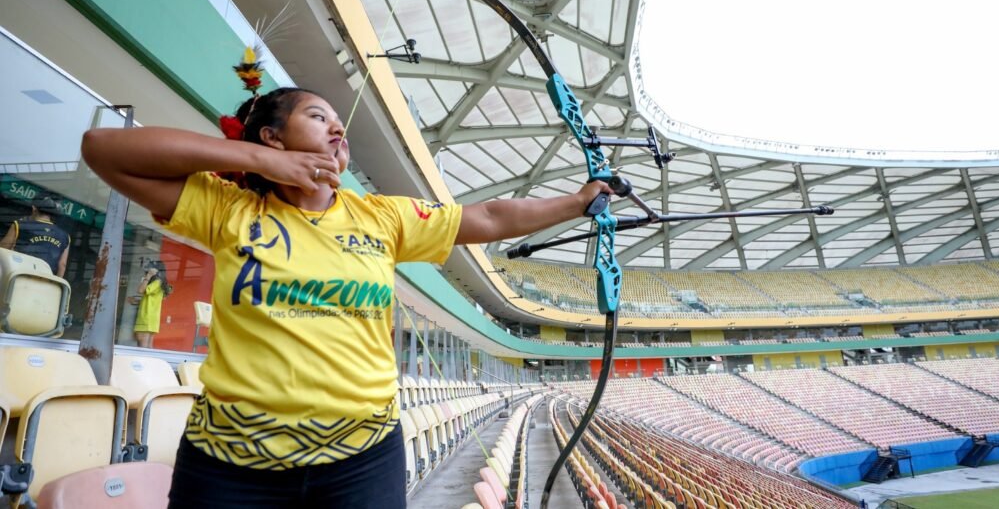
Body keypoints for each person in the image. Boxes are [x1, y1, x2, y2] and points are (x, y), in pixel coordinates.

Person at [81, 85, 613, 508]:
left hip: (361, 459)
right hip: (232, 463)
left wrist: (576, 201)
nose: (338, 126)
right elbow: (103, 149)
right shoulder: (229, 209)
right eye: (317, 116)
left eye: (338, 121)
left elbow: (490, 217)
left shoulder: (380, 215)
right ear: (271, 136)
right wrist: (254, 162)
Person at [0, 195, 70, 276]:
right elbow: (62, 264)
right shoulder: (65, 236)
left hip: (20, 276)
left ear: (34, 209)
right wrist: (57, 283)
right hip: (46, 280)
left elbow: (2, 250)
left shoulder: (20, 225)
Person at [133, 260, 172, 348]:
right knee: (148, 346)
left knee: (142, 346)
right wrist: (138, 302)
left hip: (146, 317)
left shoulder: (157, 282)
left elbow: (140, 290)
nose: (147, 271)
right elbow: (152, 300)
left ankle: (143, 362)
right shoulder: (161, 283)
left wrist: (148, 276)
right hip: (152, 319)